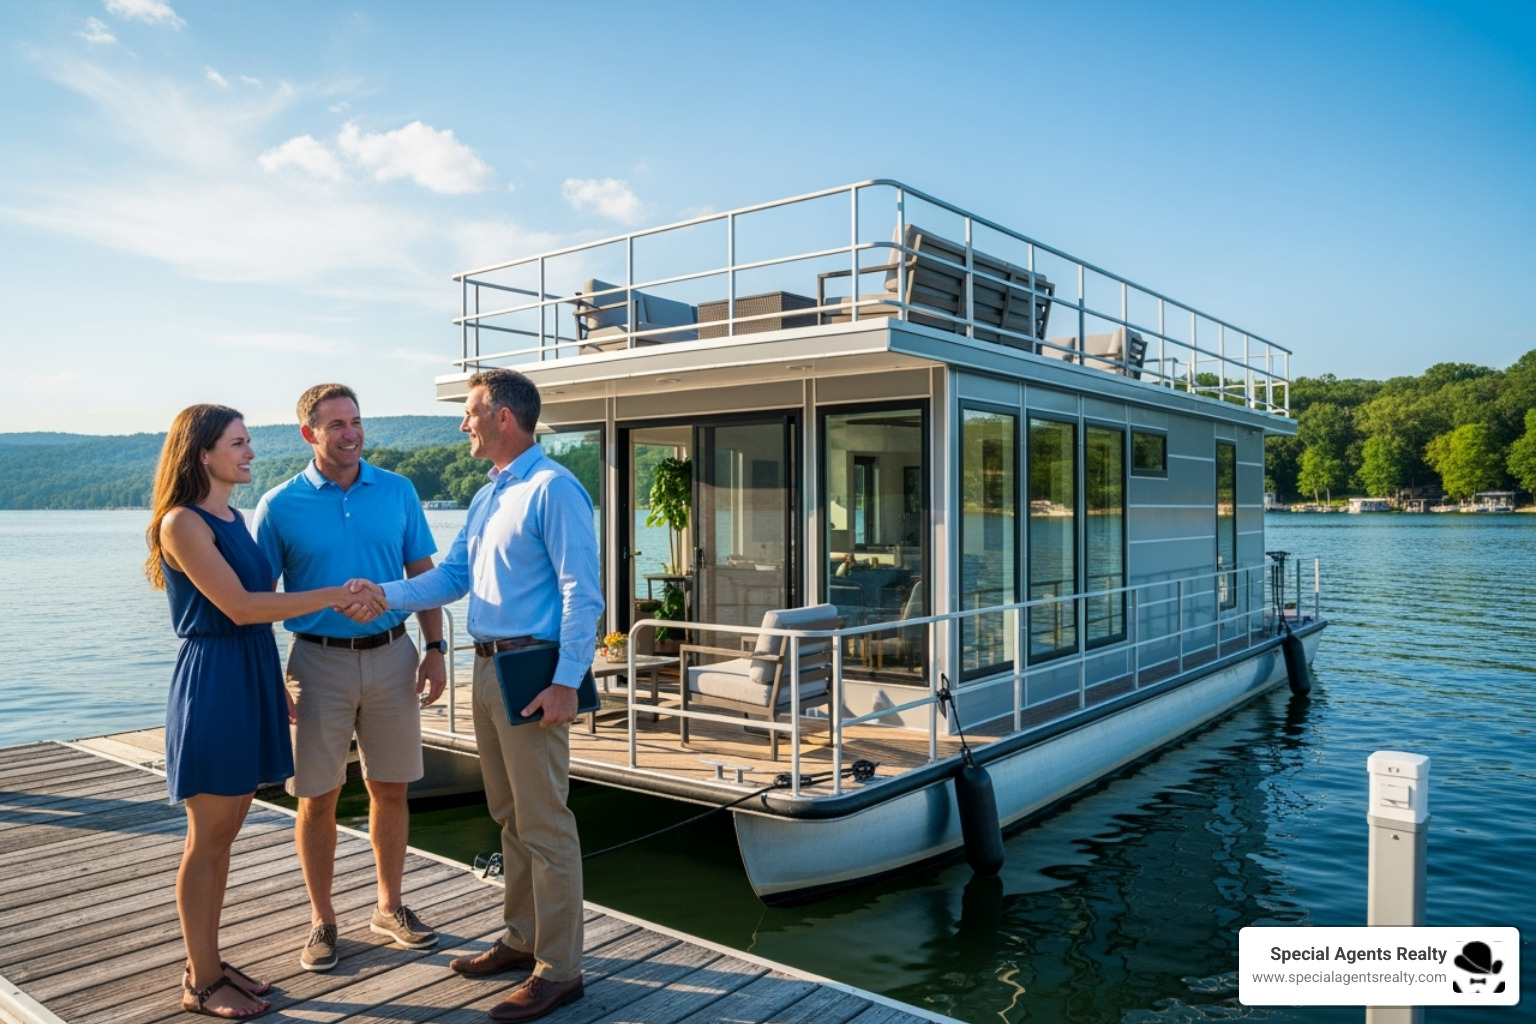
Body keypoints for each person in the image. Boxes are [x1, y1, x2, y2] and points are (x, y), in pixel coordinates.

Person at [346, 368, 602, 1023]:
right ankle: (522, 940)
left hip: (534, 674)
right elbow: (453, 575)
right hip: (489, 672)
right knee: (510, 816)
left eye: (470, 413)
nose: (463, 424)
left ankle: (561, 970)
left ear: (504, 418)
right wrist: (384, 593)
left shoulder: (553, 489)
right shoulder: (490, 495)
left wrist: (568, 683)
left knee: (546, 825)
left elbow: (582, 594)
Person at [145, 404, 382, 1019]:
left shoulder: (229, 515)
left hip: (248, 672)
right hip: (215, 681)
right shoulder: (182, 523)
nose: (250, 452)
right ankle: (200, 982)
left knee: (226, 836)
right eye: (237, 443)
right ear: (202, 452)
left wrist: (273, 679)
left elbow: (254, 610)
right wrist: (335, 594)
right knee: (209, 838)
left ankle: (210, 962)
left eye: (248, 442)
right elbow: (243, 607)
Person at [251, 384, 447, 972]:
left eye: (356, 421)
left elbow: (425, 575)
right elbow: (258, 601)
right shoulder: (279, 504)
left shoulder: (398, 491)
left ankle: (390, 907)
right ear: (309, 433)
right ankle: (323, 919)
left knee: (392, 786)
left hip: (394, 655)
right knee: (318, 797)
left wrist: (434, 648)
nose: (350, 433)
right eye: (336, 424)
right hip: (315, 663)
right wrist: (269, 679)